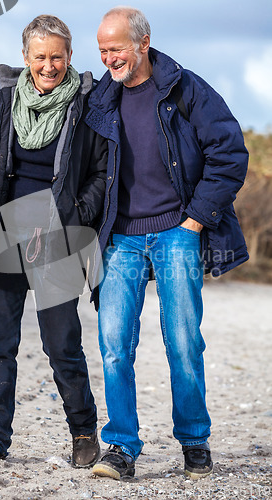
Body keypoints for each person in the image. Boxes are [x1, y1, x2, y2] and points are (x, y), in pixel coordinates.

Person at [84, 6, 249, 480]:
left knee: (183, 342)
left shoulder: (185, 88)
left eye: (115, 48)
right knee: (114, 344)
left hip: (178, 232)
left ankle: (195, 441)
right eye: (102, 50)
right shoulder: (100, 97)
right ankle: (120, 448)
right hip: (121, 239)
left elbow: (230, 152)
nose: (108, 58)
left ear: (143, 42)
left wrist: (196, 221)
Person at [0, 14, 107, 467]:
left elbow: (101, 171)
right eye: (40, 56)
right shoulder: (1, 101)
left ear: (69, 57)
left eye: (57, 57)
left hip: (58, 239)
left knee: (61, 342)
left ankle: (83, 432)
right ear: (26, 57)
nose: (49, 65)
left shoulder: (87, 105)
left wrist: (76, 215)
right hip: (4, 235)